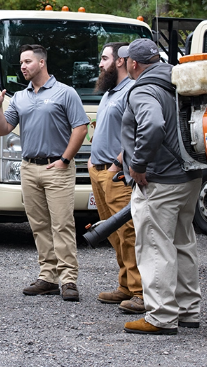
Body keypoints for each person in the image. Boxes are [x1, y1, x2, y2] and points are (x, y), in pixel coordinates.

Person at [0, 44, 88, 302]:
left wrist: (65, 160)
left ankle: (68, 280)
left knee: (62, 224)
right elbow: (3, 130)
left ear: (42, 63)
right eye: (21, 63)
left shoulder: (65, 93)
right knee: (39, 225)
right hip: (29, 168)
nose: (22, 66)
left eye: (28, 62)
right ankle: (48, 277)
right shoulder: (19, 97)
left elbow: (80, 128)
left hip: (57, 167)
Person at [120, 38, 202, 335]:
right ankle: (188, 310)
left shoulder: (143, 88)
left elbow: (153, 124)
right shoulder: (177, 81)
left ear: (133, 63)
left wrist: (138, 164)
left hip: (161, 181)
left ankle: (161, 316)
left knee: (155, 246)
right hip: (189, 176)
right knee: (183, 243)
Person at [88, 42, 144, 314]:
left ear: (121, 61)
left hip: (117, 174)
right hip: (98, 171)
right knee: (112, 233)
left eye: (105, 58)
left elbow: (138, 133)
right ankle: (124, 285)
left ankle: (140, 292)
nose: (100, 63)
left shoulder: (131, 90)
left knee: (128, 232)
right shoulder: (109, 91)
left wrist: (116, 163)